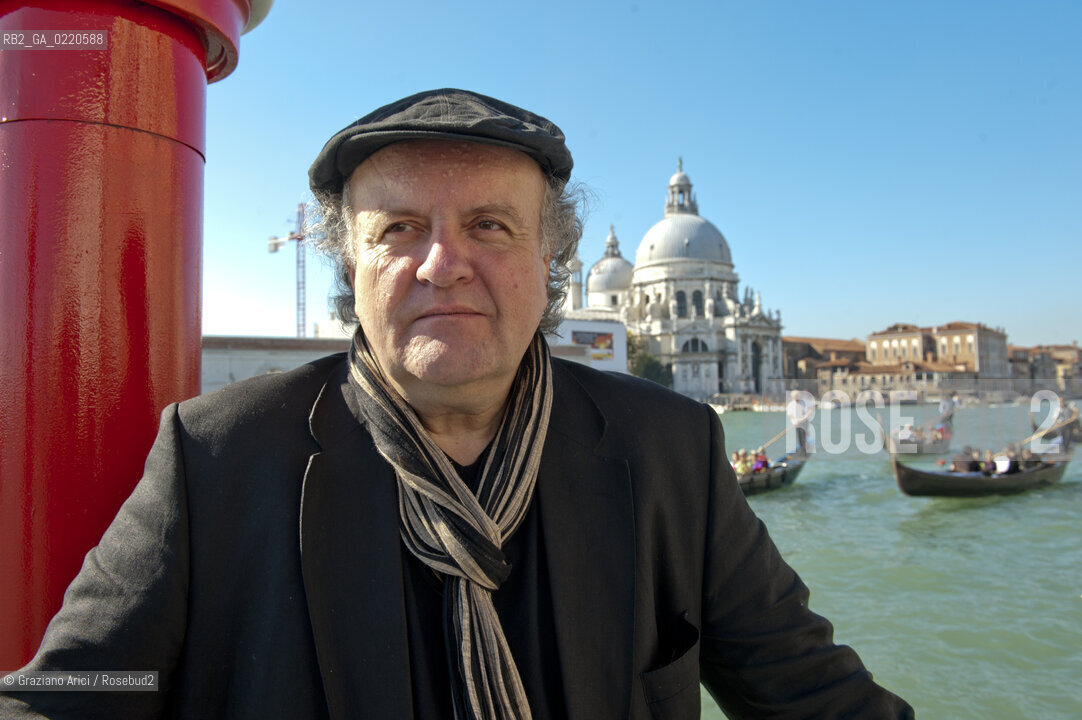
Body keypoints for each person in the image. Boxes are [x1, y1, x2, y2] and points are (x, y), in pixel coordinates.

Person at [0, 89, 912, 719]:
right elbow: (71, 700)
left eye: (489, 225)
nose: (445, 264)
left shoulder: (671, 451)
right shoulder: (217, 459)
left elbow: (809, 693)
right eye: (398, 229)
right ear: (349, 269)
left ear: (552, 268)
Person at [785, 389, 814, 455]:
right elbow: (790, 415)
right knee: (799, 436)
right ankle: (802, 449)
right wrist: (795, 421)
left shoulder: (804, 403)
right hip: (797, 423)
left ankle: (806, 448)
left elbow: (809, 411)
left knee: (804, 434)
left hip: (804, 422)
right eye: (795, 397)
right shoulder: (791, 405)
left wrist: (803, 419)